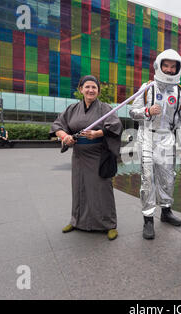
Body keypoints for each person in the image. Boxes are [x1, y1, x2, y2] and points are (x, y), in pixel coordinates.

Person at [50, 75, 123, 240]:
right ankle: (76, 221)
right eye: (87, 87)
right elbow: (57, 125)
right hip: (79, 156)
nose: (91, 90)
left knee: (102, 190)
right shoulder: (72, 109)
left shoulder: (105, 109)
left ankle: (109, 224)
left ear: (98, 90)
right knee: (79, 188)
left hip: (98, 156)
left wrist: (97, 133)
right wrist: (64, 136)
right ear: (80, 89)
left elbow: (116, 126)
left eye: (94, 87)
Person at [129, 49, 181, 240]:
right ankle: (148, 219)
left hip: (167, 138)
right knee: (148, 178)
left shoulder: (179, 92)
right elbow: (132, 111)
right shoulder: (147, 88)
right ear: (159, 66)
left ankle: (166, 211)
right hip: (147, 135)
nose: (170, 70)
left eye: (173, 67)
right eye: (166, 66)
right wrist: (147, 111)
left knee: (168, 178)